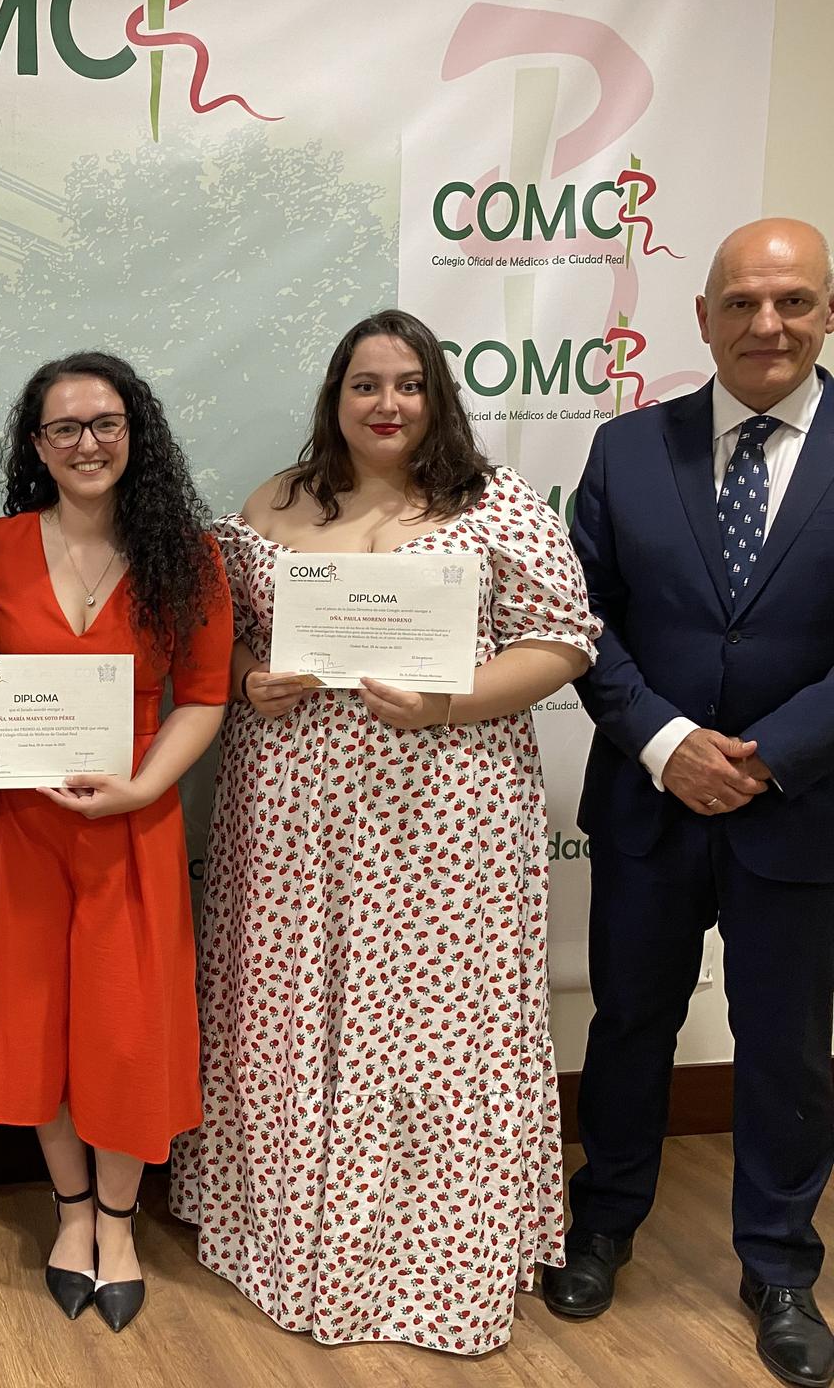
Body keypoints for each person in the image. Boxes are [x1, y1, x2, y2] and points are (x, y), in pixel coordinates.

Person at [168, 307, 597, 1355]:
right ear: (336, 397)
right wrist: (248, 681)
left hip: (443, 814)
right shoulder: (276, 501)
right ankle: (280, 1230)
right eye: (366, 385)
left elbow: (565, 642)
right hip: (289, 816)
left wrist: (451, 700)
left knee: (429, 1027)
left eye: (408, 383)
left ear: (437, 394)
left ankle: (429, 1254)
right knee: (288, 1008)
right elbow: (220, 644)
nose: (387, 404)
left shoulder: (496, 506)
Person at [549, 218, 834, 1388]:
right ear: (703, 316)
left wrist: (766, 756)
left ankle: (778, 1264)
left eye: (795, 303)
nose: (768, 325)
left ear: (824, 314)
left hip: (800, 808)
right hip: (649, 800)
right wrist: (667, 741)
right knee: (629, 1023)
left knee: (784, 1047)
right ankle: (606, 1219)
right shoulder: (628, 449)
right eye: (745, 303)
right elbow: (581, 617)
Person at [0, 352, 231, 1332]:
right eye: (63, 428)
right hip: (17, 833)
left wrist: (144, 785)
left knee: (121, 1033)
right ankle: (69, 1213)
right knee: (33, 1030)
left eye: (104, 423)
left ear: (133, 433)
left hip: (131, 830)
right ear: (37, 446)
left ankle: (118, 1222)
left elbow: (205, 694)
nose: (86, 443)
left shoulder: (188, 557)